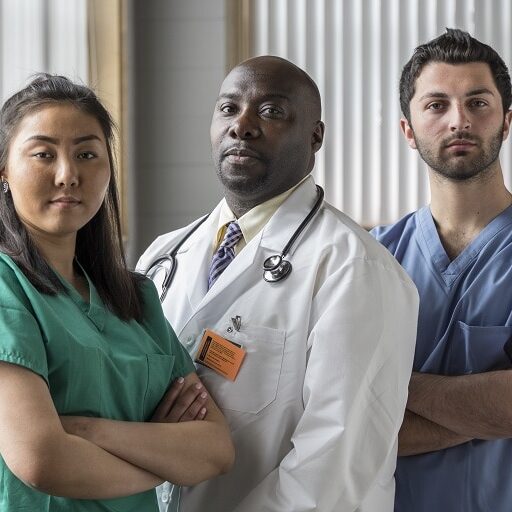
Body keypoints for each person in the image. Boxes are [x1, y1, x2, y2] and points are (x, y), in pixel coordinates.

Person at [138, 55, 419, 512]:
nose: (242, 126)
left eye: (271, 112)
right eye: (228, 109)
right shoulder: (161, 258)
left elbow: (334, 464)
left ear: (315, 137)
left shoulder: (355, 268)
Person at [0, 74, 234, 512]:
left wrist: (87, 432)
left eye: (87, 154)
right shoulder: (6, 287)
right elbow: (41, 459)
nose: (68, 175)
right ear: (5, 171)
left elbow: (215, 449)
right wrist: (167, 458)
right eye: (43, 154)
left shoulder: (134, 297)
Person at [371, 28, 512, 511]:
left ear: (507, 121)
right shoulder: (371, 258)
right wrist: (483, 406)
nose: (459, 121)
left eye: (478, 103)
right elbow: (341, 422)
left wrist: (385, 386)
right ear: (408, 131)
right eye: (436, 105)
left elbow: (363, 406)